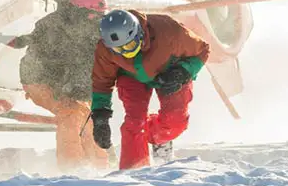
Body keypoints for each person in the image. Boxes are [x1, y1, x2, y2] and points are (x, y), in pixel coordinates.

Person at [90, 9, 210, 169]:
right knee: (134, 123)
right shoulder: (105, 48)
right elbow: (101, 81)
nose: (126, 52)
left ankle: (158, 138)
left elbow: (202, 50)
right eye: (119, 50)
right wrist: (100, 118)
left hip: (169, 73)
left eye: (130, 45)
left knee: (175, 121)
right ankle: (134, 172)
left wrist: (182, 73)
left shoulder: (169, 31)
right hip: (131, 76)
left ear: (139, 33)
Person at [15, 0, 109, 171]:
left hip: (69, 83)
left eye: (100, 15)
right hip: (42, 81)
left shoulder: (89, 29)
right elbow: (59, 59)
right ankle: (72, 169)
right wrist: (67, 86)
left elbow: (89, 62)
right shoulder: (58, 25)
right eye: (93, 15)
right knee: (70, 114)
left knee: (89, 118)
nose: (96, 20)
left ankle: (100, 169)